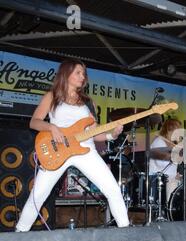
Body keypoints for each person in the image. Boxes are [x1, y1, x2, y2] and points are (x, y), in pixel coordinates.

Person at [15, 59, 130, 231]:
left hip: (86, 151)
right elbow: (34, 122)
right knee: (38, 194)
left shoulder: (88, 102)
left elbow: (94, 132)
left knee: (112, 189)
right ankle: (20, 232)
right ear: (66, 73)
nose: (82, 76)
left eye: (84, 73)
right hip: (58, 150)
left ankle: (126, 231)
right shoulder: (52, 96)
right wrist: (51, 127)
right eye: (78, 72)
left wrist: (110, 134)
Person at [149, 118, 182, 201]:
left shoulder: (172, 144)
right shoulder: (158, 142)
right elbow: (162, 164)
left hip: (170, 178)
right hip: (159, 179)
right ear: (169, 130)